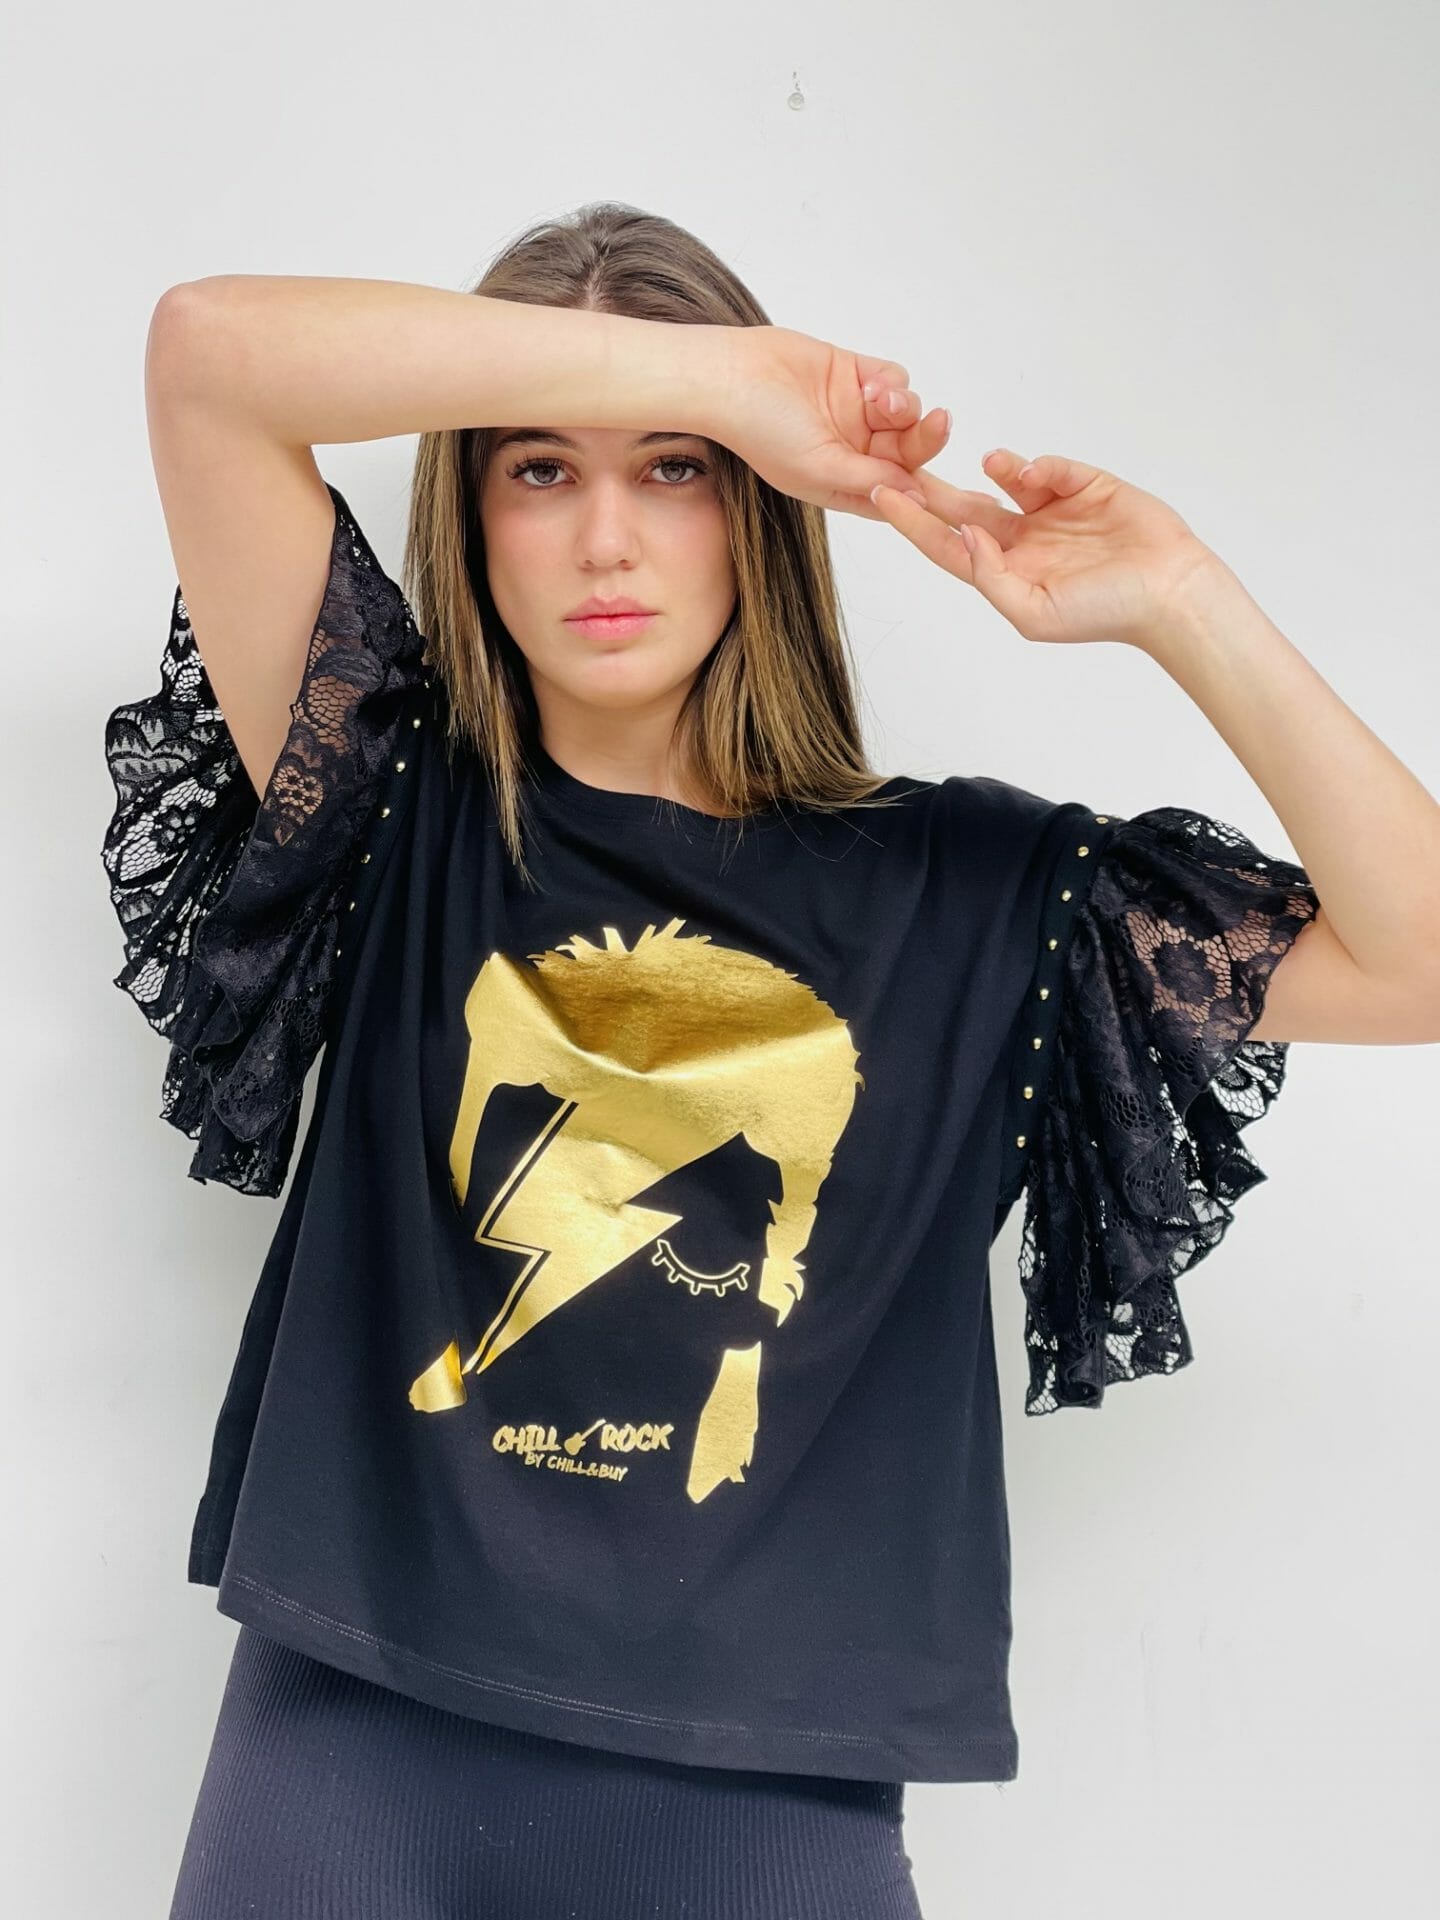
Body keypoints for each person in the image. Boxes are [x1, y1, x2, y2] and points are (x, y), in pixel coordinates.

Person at [100, 203, 1439, 1920]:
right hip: (345, 1764)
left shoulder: (976, 899)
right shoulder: (385, 796)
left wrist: (1185, 602)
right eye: (536, 471)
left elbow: (1416, 960)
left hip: (764, 1820)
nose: (605, 539)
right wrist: (711, 379)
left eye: (675, 471)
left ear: (757, 510)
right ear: (473, 516)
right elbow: (209, 356)